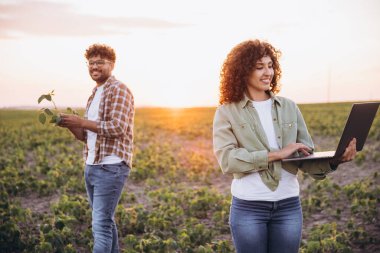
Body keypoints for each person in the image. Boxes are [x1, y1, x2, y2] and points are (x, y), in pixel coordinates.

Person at [212, 39, 356, 253]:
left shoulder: (289, 107)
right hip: (249, 207)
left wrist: (336, 160)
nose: (267, 72)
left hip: (288, 206)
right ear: (242, 72)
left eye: (270, 66)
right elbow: (228, 160)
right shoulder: (227, 112)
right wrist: (277, 154)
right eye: (259, 67)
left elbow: (305, 157)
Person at [59, 44, 134, 253]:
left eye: (100, 62)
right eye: (91, 63)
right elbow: (87, 137)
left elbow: (118, 127)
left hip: (111, 166)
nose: (94, 66)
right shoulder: (94, 94)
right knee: (106, 222)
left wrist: (81, 121)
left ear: (112, 64)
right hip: (92, 166)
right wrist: (72, 125)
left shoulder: (119, 89)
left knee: (100, 226)